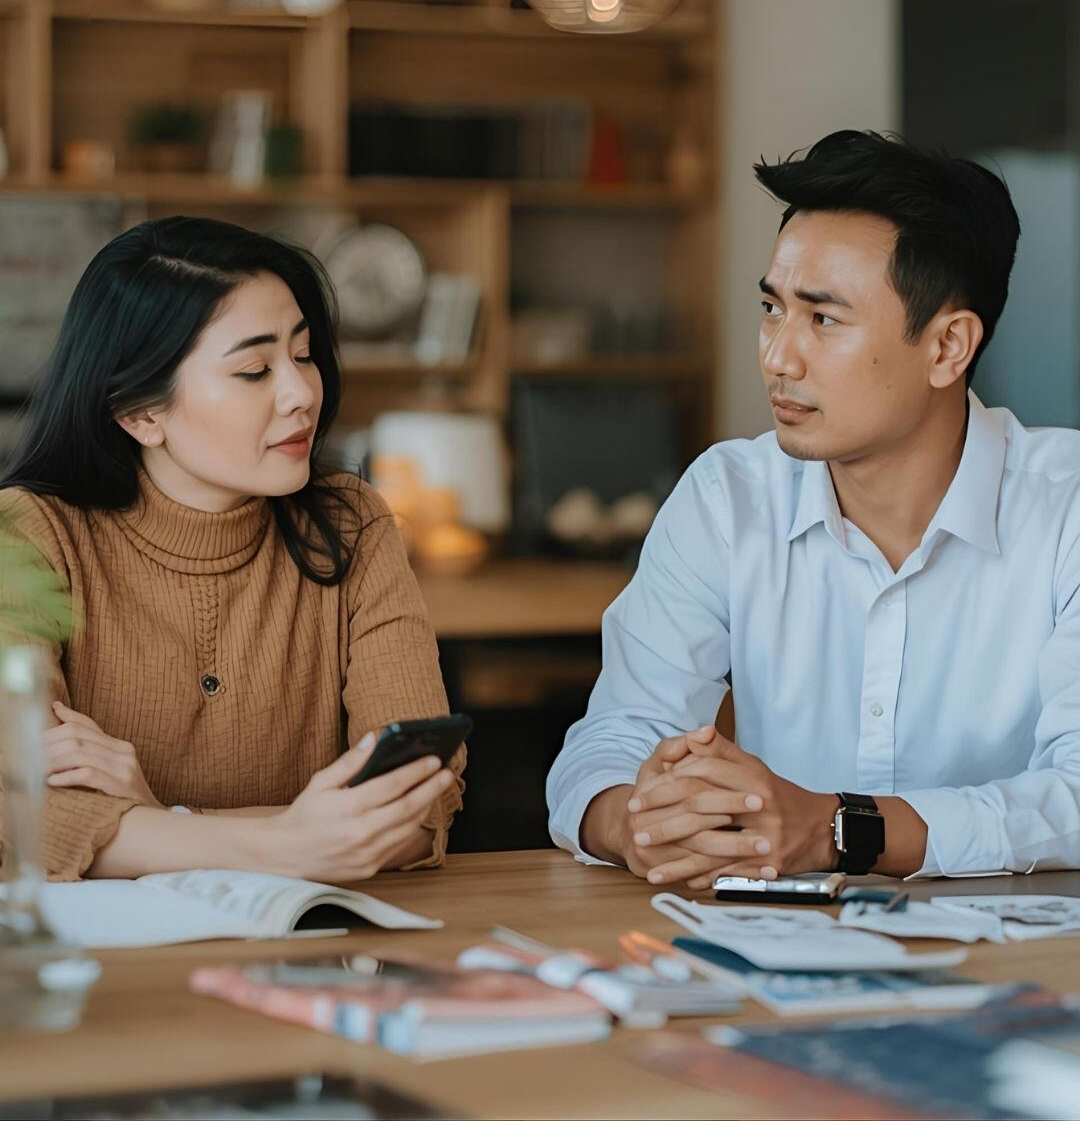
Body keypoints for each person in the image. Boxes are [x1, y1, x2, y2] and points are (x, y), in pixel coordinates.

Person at [547, 129, 1080, 885]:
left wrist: (841, 829)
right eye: (773, 308)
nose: (777, 356)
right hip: (777, 962)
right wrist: (637, 821)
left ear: (947, 347)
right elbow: (613, 739)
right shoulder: (726, 498)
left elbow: (1075, 797)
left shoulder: (1068, 511)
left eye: (822, 319)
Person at [0, 215, 463, 882]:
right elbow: (29, 814)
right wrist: (291, 843)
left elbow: (419, 797)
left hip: (321, 954)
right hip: (106, 972)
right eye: (254, 370)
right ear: (140, 413)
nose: (302, 393)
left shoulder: (353, 525)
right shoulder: (28, 537)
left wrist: (161, 820)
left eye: (303, 355)